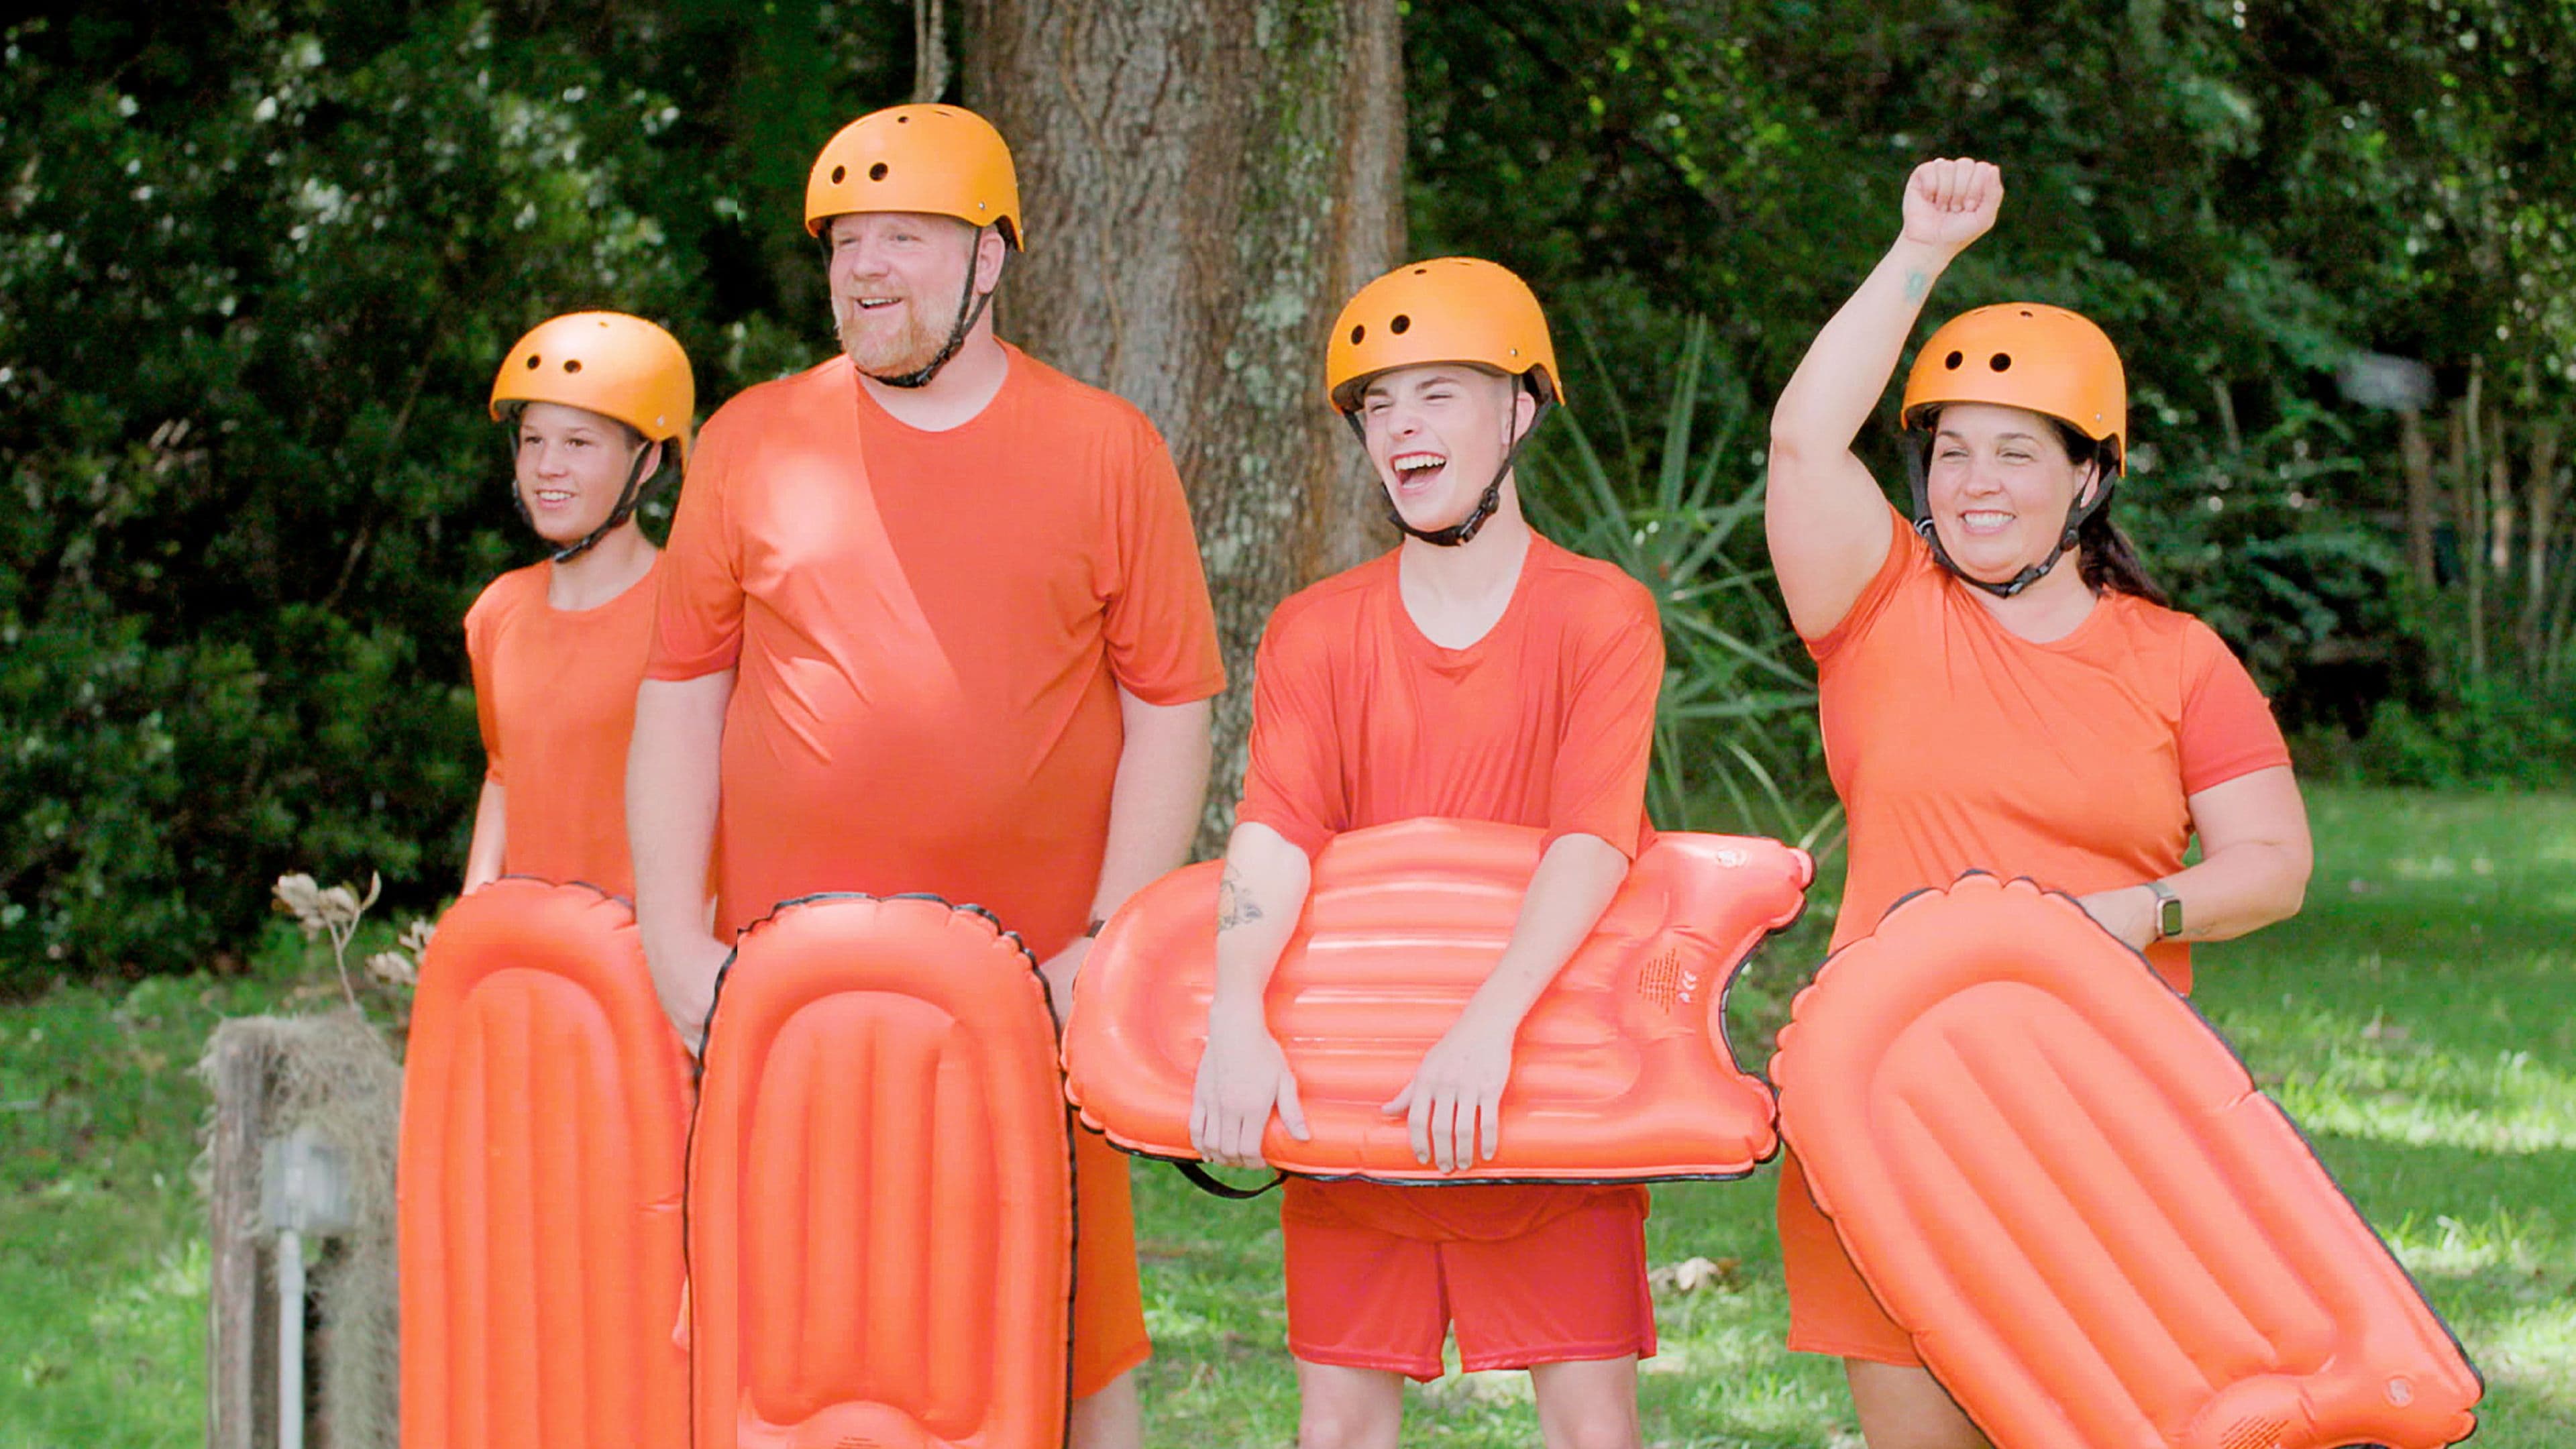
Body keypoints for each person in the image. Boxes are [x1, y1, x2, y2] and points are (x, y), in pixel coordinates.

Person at [625, 103, 1225, 1447]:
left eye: (902, 237)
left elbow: (1173, 706)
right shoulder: (750, 443)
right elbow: (679, 698)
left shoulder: (1106, 448)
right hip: (788, 1000)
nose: (865, 269)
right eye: (845, 242)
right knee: (786, 1336)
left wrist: (1106, 944)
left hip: (1033, 1000)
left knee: (1066, 1338)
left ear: (989, 259)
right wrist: (673, 940)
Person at [1762, 157, 2314, 1449]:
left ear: (2088, 479)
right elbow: (1801, 438)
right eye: (1952, 453)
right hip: (1888, 1099)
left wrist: (2117, 914)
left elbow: (2272, 865)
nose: (1979, 482)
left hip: (2107, 1108)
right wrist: (1919, 253)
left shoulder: (2178, 658)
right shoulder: (1876, 606)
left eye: (2018, 452)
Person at [1190, 258, 1663, 1449]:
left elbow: (1594, 837)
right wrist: (1236, 1016)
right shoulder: (1316, 630)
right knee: (1339, 1421)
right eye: (1380, 405)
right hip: (1361, 1065)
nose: (1401, 427)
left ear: (1520, 410)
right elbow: (1275, 830)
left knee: (1590, 1421)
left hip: (1546, 1056)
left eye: (1438, 393)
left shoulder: (1602, 613)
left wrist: (1491, 1023)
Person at [464, 311, 693, 897]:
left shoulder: (695, 612)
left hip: (648, 968)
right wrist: (474, 910)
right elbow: (504, 773)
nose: (548, 467)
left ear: (646, 463)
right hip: (532, 961)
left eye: (579, 443)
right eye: (535, 440)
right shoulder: (497, 613)